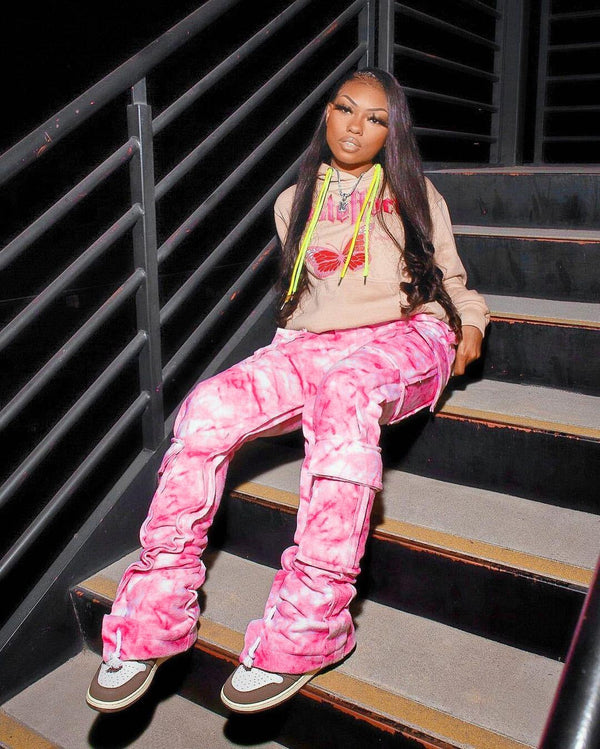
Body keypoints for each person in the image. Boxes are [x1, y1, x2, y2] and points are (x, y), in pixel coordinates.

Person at [86, 67, 488, 715]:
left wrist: (469, 323)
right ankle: (153, 616)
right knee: (208, 406)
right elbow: (308, 302)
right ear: (326, 113)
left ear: (393, 131)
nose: (356, 126)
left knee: (346, 394)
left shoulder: (414, 191)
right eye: (344, 109)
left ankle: (312, 625)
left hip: (408, 334)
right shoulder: (293, 200)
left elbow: (451, 277)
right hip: (308, 346)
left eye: (375, 117)